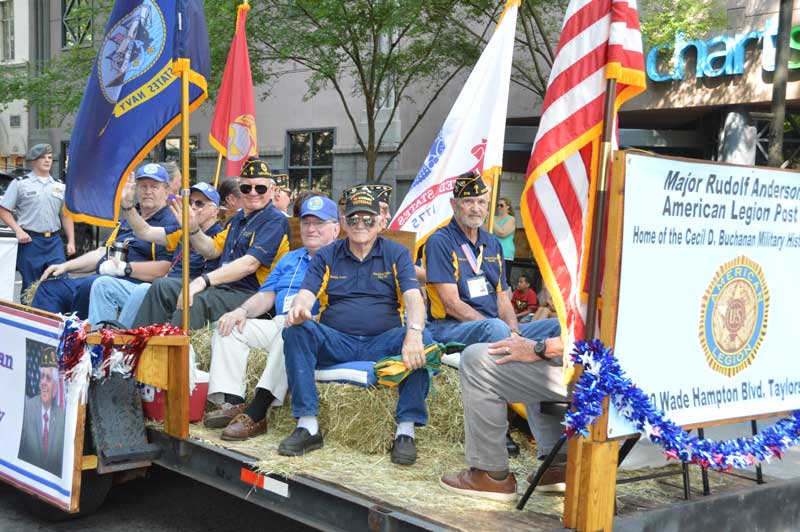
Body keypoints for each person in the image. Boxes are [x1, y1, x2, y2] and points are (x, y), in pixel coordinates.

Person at [280, 188, 433, 465]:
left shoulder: (397, 253)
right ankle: (307, 424)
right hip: (337, 340)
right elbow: (306, 293)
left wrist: (414, 332)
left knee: (427, 339)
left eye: (368, 219)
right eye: (353, 219)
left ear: (381, 222)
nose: (360, 225)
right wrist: (299, 309)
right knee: (295, 330)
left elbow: (413, 297)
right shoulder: (327, 255)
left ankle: (406, 430)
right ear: (343, 220)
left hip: (383, 341)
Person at [203, 196, 341, 441]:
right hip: (278, 321)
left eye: (319, 223)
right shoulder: (291, 258)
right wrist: (241, 311)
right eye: (306, 222)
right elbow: (267, 294)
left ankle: (258, 411)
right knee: (230, 327)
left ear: (336, 228)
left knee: (291, 331)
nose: (311, 229)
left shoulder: (342, 260)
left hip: (316, 329)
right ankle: (232, 403)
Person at [132, 157, 290, 330]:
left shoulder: (274, 221)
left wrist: (202, 282)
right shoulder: (238, 218)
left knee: (196, 300)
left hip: (253, 294)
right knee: (163, 286)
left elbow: (249, 265)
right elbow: (212, 250)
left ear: (272, 189)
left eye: (260, 188)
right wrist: (193, 229)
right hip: (225, 288)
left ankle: (174, 352)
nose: (253, 193)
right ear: (240, 188)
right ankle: (138, 346)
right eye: (246, 187)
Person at [424, 171, 555, 345]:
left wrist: (514, 332)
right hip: (451, 326)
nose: (475, 208)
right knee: (496, 329)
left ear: (487, 207)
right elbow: (451, 304)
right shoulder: (440, 241)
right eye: (468, 201)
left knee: (556, 326)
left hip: (495, 327)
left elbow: (503, 299)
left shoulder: (493, 243)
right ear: (454, 204)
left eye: (481, 202)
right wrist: (494, 327)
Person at [32, 164, 178, 319]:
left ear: (167, 191)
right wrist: (65, 266)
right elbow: (103, 252)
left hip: (132, 284)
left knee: (93, 285)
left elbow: (164, 268)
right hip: (103, 277)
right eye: (143, 186)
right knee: (50, 287)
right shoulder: (129, 219)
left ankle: (78, 338)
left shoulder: (170, 221)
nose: (148, 192)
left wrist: (124, 268)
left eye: (154, 187)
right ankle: (47, 340)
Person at [440, 335, 568, 501]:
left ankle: (491, 474)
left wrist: (542, 347)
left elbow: (600, 332)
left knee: (476, 359)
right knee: (533, 335)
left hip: (601, 374)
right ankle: (558, 465)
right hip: (594, 361)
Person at [87, 181, 223, 327]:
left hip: (188, 294)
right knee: (103, 284)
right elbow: (144, 231)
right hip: (163, 289)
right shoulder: (182, 231)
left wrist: (193, 229)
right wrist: (127, 206)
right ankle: (98, 344)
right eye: (190, 202)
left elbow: (209, 252)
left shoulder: (219, 236)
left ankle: (122, 342)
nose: (193, 207)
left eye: (200, 203)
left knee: (145, 289)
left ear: (215, 211)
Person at [0, 143, 75, 292]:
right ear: (33, 161)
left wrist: (71, 241)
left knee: (60, 280)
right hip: (30, 243)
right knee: (31, 286)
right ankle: (29, 314)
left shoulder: (60, 186)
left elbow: (65, 214)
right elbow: (3, 210)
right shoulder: (20, 184)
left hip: (53, 242)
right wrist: (18, 230)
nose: (47, 160)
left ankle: (53, 314)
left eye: (49, 157)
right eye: (42, 158)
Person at [18, 347, 66, 477]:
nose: (43, 383)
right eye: (42, 377)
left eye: (48, 378)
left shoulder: (61, 417)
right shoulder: (29, 407)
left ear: (55, 388)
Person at [493, 197, 515, 283]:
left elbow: (502, 233)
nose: (499, 207)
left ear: (508, 207)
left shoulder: (511, 219)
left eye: (501, 205)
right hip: (491, 251)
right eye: (497, 205)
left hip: (505, 252)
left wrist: (492, 221)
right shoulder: (493, 217)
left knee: (504, 280)